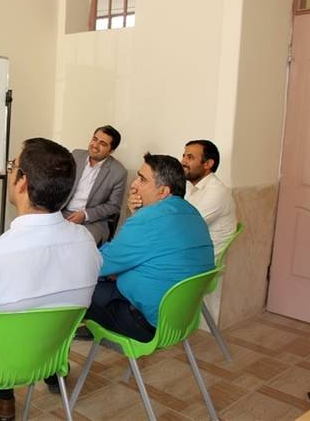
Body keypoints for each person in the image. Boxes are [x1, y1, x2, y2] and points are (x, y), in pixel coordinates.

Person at [0, 138, 101, 419]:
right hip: (49, 357)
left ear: (22, 182)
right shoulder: (87, 243)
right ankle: (3, 400)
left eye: (12, 166)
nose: (10, 172)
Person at [86, 153, 214, 342]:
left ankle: (53, 353)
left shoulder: (149, 219)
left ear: (163, 192)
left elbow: (99, 264)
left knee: (72, 288)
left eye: (142, 179)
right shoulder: (192, 213)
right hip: (179, 320)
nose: (134, 185)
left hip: (143, 322)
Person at [62, 125, 127, 245]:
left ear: (111, 150)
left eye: (103, 144)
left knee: (77, 245)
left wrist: (85, 215)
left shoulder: (119, 172)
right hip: (63, 212)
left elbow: (114, 206)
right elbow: (59, 182)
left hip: (93, 221)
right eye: (94, 139)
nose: (95, 146)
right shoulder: (76, 155)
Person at [181, 140, 237, 257]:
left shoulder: (217, 192)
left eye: (190, 157)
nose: (183, 162)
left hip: (202, 261)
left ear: (208, 164)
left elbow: (184, 227)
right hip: (190, 251)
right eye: (184, 156)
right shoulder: (191, 185)